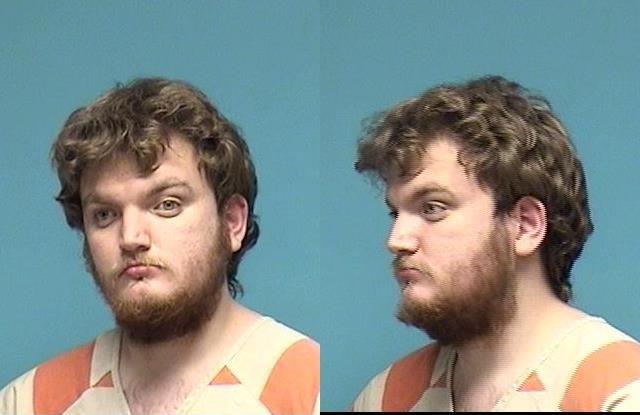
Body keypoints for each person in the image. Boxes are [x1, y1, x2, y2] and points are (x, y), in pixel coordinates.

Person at [0, 78, 319, 415]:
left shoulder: (306, 388)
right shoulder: (29, 403)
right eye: (105, 214)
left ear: (231, 222)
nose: (131, 237)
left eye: (167, 205)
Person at [351, 76, 640, 411]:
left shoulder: (621, 391)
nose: (396, 240)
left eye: (432, 208)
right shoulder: (384, 398)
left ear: (525, 226)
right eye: (395, 213)